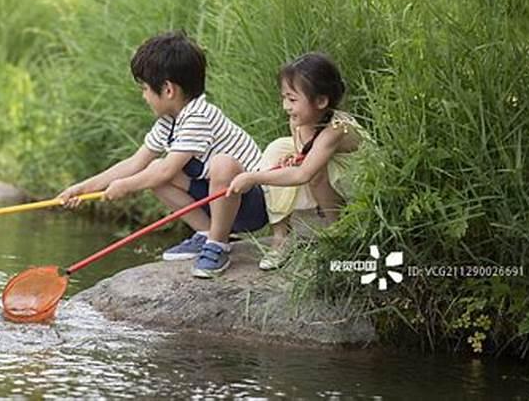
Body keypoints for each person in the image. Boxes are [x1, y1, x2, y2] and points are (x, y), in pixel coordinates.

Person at [58, 30, 268, 278]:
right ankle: (206, 233)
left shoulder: (199, 116)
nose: (144, 96)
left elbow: (167, 170)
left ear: (168, 89)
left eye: (145, 88)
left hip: (252, 203)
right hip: (215, 199)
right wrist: (83, 189)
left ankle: (218, 243)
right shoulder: (170, 121)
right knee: (153, 172)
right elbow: (136, 162)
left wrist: (125, 187)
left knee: (220, 165)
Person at [227, 52, 369, 270]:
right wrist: (296, 155)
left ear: (321, 101)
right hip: (323, 162)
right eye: (284, 97)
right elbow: (302, 150)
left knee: (314, 172)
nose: (286, 106)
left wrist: (252, 177)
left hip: (357, 175)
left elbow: (303, 174)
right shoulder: (298, 121)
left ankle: (338, 231)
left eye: (292, 99)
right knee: (276, 150)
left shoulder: (336, 129)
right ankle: (281, 236)